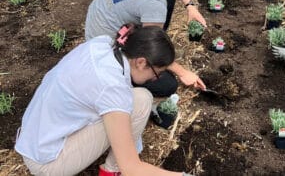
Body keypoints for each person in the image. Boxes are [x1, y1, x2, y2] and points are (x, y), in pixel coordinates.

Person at [15, 24, 192, 176]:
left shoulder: (103, 44)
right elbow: (131, 169)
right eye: (157, 73)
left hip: (34, 138)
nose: (155, 80)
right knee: (141, 101)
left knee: (141, 98)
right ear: (140, 62)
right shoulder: (112, 88)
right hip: (48, 162)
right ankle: (110, 171)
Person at [85, 0, 207, 96]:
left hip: (99, 16)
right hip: (105, 44)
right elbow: (148, 49)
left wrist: (190, 6)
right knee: (167, 85)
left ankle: (156, 29)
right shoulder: (154, 4)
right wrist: (183, 72)